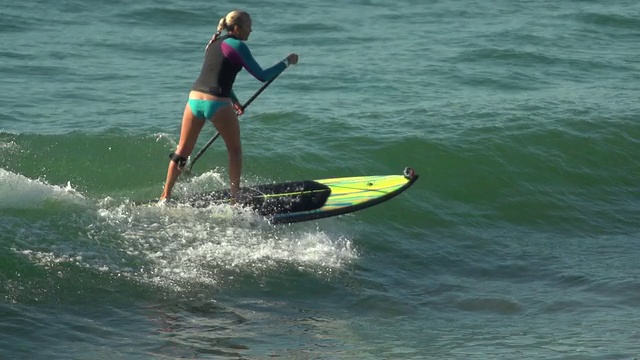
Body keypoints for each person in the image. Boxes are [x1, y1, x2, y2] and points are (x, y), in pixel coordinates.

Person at [160, 10, 299, 201]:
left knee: (182, 151)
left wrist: (235, 102)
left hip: (194, 99)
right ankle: (235, 198)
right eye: (248, 27)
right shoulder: (237, 46)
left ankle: (165, 196)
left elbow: (216, 75)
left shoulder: (213, 43)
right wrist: (287, 61)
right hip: (216, 102)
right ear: (236, 28)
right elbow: (262, 76)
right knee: (234, 151)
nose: (251, 30)